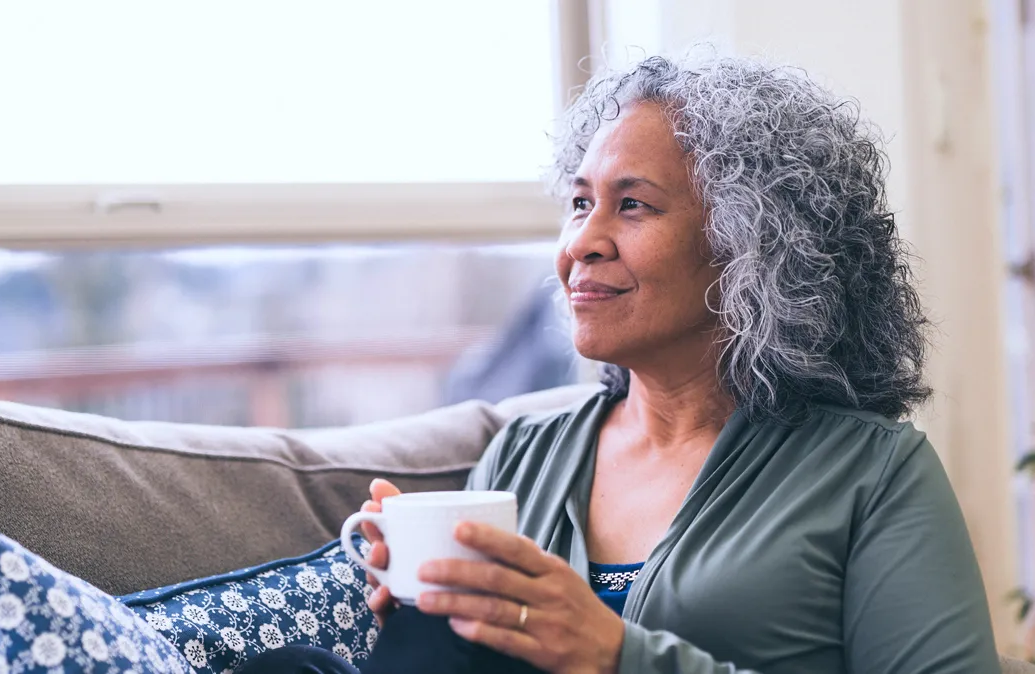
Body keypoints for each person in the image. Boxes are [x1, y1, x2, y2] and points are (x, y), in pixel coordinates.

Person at [237, 53, 999, 674]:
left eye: (631, 205)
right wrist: (425, 598)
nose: (581, 243)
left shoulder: (871, 475)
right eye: (578, 203)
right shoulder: (521, 457)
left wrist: (618, 656)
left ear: (751, 247)